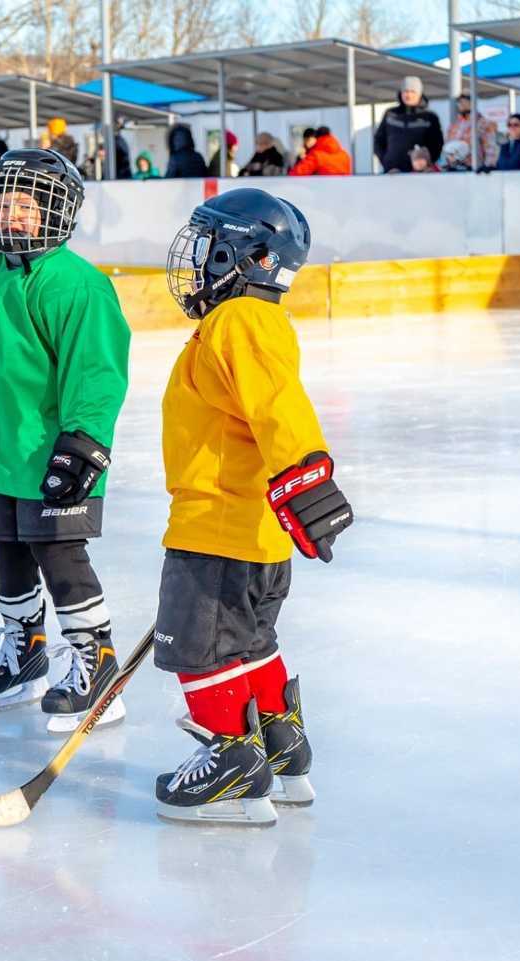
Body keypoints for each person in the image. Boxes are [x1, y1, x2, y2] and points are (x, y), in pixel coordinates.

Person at [155, 187, 353, 825]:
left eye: (209, 244)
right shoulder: (249, 321)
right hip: (252, 531)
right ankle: (279, 747)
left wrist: (306, 475)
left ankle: (234, 768)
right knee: (249, 642)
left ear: (252, 256)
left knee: (199, 649)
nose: (195, 258)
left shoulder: (240, 321)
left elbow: (278, 406)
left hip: (218, 526)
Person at [0, 147, 131, 733]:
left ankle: (96, 659)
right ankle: (26, 650)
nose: (11, 213)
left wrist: (85, 442)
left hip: (54, 451)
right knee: (5, 548)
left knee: (59, 552)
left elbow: (95, 371)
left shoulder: (76, 285)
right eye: (2, 201)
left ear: (54, 213)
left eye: (25, 205)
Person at [374, 75, 443, 173]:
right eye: (405, 91)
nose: (408, 95)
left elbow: (437, 144)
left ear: (419, 94)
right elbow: (378, 141)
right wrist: (386, 163)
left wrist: (426, 163)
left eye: (412, 92)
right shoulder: (390, 114)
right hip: (392, 173)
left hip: (419, 174)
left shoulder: (429, 117)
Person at [445, 93, 497, 170]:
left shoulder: (483, 123)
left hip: (474, 168)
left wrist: (488, 166)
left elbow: (490, 147)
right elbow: (448, 145)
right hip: (455, 167)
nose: (461, 105)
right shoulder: (454, 125)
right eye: (459, 102)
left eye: (464, 102)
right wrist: (448, 162)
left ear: (472, 103)